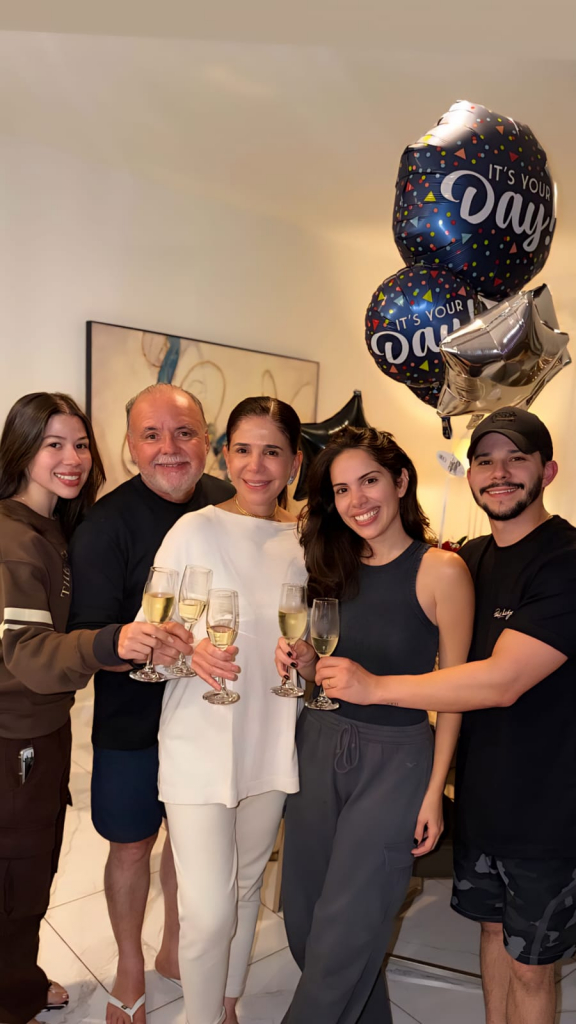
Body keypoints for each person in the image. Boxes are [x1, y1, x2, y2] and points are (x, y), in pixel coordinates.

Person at [323, 407, 576, 1024]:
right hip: (485, 796)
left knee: (531, 964)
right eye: (485, 460)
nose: (499, 473)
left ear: (549, 470)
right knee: (490, 936)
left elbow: (501, 681)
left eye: (517, 458)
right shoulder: (469, 559)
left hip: (549, 807)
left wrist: (376, 687)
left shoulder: (565, 560)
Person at [274, 425, 474, 1024]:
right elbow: (329, 667)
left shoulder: (441, 570)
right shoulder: (331, 562)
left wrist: (436, 789)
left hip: (396, 757)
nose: (357, 500)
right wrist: (307, 663)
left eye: (369, 481)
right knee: (305, 915)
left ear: (401, 482)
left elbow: (458, 691)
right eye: (341, 490)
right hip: (318, 739)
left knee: (348, 927)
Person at [0, 392, 189, 1024]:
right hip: (13, 737)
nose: (71, 457)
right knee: (17, 880)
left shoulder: (53, 526)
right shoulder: (16, 537)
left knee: (29, 873)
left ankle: (20, 983)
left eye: (80, 444)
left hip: (43, 730)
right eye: (52, 444)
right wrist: (114, 641)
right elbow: (26, 651)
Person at [68, 383, 233, 1024]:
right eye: (152, 435)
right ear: (131, 445)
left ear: (206, 441)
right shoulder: (103, 526)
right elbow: (84, 637)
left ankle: (174, 948)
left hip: (208, 714)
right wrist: (134, 645)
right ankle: (130, 963)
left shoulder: (229, 504)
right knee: (133, 844)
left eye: (184, 433)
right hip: (131, 721)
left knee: (189, 845)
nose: (170, 448)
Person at [148, 396, 305, 1024]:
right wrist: (190, 658)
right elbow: (151, 641)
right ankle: (199, 1017)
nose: (257, 466)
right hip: (198, 738)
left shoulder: (308, 540)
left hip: (270, 737)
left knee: (244, 888)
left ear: (294, 462)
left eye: (273, 451)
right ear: (225, 454)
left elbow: (319, 638)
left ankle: (226, 1003)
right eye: (243, 449)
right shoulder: (194, 529)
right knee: (207, 909)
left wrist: (306, 654)